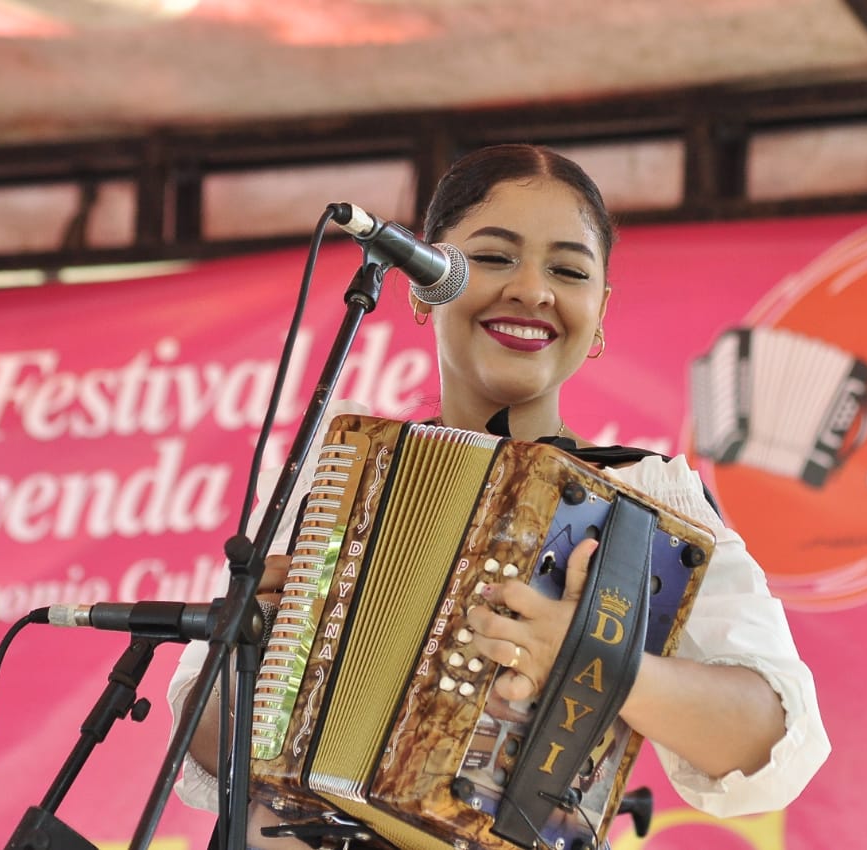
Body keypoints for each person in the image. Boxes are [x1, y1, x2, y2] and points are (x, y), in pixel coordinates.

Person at [167, 143, 830, 848]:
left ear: (599, 313)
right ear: (425, 285)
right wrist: (261, 648)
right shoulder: (337, 474)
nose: (531, 290)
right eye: (493, 258)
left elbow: (773, 743)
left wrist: (596, 666)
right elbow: (206, 751)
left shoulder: (647, 501)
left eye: (568, 271)